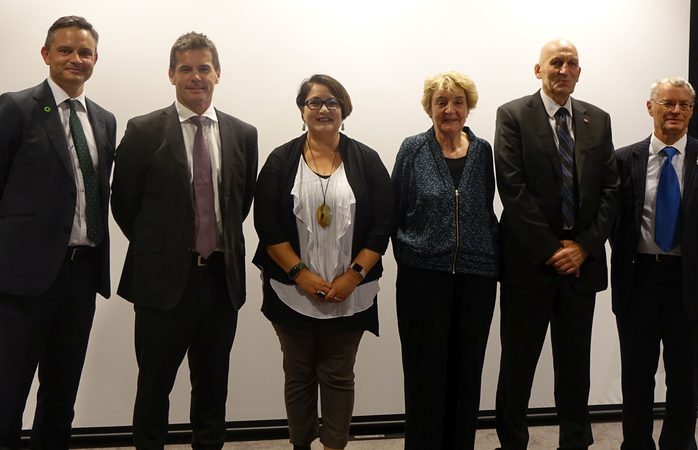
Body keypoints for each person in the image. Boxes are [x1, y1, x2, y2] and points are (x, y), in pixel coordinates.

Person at [111, 32, 258, 449]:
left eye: (204, 68)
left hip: (220, 282)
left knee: (213, 389)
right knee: (154, 387)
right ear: (171, 74)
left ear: (218, 74)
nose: (196, 77)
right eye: (187, 69)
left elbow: (239, 201)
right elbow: (124, 201)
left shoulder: (243, 134)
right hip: (162, 283)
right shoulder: (142, 130)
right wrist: (162, 246)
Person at [252, 74, 393, 450]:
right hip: (292, 291)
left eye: (332, 102)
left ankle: (334, 446)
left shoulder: (366, 159)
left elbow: (382, 224)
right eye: (315, 102)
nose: (324, 109)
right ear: (302, 110)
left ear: (344, 109)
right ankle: (301, 445)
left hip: (352, 292)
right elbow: (266, 225)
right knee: (298, 375)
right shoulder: (281, 160)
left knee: (338, 375)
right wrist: (301, 275)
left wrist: (354, 274)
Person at [493, 39, 618, 449]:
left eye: (572, 64)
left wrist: (581, 247)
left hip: (580, 267)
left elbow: (609, 191)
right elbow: (513, 188)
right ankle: (513, 442)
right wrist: (553, 250)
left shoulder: (597, 120)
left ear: (579, 73)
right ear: (538, 69)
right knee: (517, 366)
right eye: (556, 62)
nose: (564, 69)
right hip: (529, 263)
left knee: (574, 368)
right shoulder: (512, 115)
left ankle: (575, 443)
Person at [0, 16, 115, 449]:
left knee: (62, 393)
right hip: (22, 280)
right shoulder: (14, 108)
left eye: (84, 52)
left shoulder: (104, 121)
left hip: (80, 275)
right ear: (46, 55)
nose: (75, 59)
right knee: (8, 392)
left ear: (95, 60)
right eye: (65, 50)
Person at [391, 71, 499, 450]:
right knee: (425, 374)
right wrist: (411, 256)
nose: (450, 110)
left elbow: (486, 209)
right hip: (423, 278)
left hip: (477, 277)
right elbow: (396, 211)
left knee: (466, 373)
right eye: (441, 102)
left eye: (457, 102)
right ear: (430, 108)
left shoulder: (484, 152)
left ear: (468, 107)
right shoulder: (412, 149)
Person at [611, 77, 698, 450]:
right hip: (639, 279)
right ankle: (636, 444)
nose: (675, 111)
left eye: (684, 105)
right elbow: (612, 222)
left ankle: (679, 444)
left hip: (690, 282)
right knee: (637, 377)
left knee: (685, 378)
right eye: (667, 103)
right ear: (650, 107)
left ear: (691, 111)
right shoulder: (625, 159)